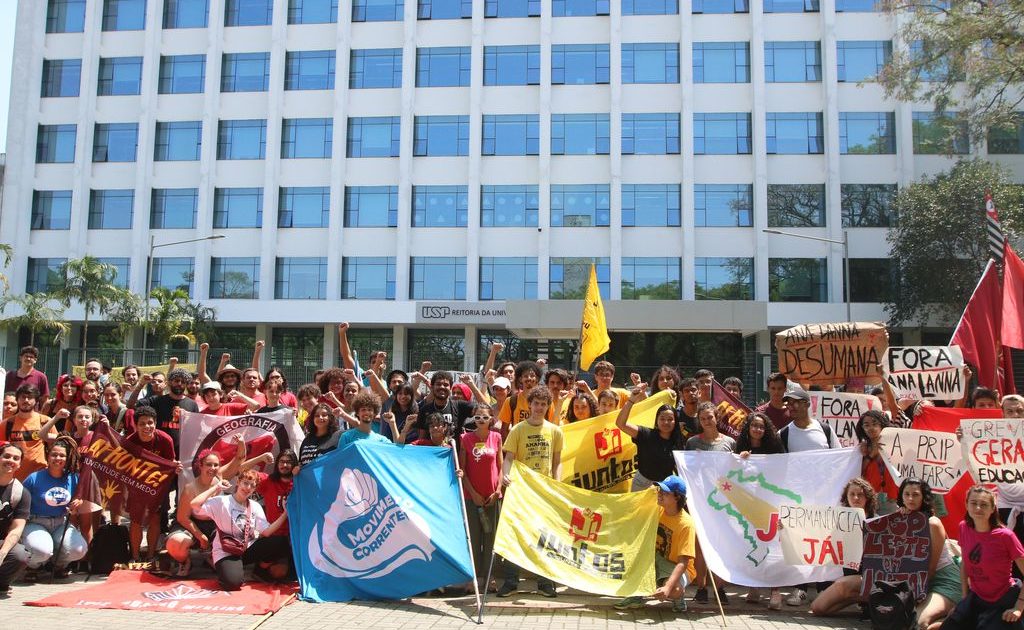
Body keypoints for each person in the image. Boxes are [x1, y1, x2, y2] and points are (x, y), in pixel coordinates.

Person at [498, 385, 563, 599]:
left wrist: (558, 484)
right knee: (516, 535)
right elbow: (508, 459)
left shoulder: (555, 431)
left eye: (544, 404)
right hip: (521, 491)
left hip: (544, 492)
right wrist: (505, 475)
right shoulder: (518, 429)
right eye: (536, 403)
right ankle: (511, 581)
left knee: (544, 537)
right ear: (530, 404)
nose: (539, 408)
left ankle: (544, 583)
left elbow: (557, 463)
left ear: (548, 406)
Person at [939, 485, 1024, 630]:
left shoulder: (1006, 536)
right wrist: (964, 599)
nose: (978, 508)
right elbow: (965, 563)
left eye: (984, 504)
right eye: (973, 503)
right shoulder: (963, 527)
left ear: (993, 509)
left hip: (1002, 599)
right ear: (966, 504)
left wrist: (1018, 607)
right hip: (976, 596)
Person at [191, 469, 290, 590]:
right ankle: (222, 566)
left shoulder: (255, 506)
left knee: (281, 542)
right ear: (238, 482)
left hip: (245, 548)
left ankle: (259, 570)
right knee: (233, 583)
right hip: (227, 549)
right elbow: (194, 504)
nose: (248, 488)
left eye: (252, 485)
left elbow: (267, 532)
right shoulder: (222, 501)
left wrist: (285, 513)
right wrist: (216, 487)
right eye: (245, 483)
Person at [614, 475, 695, 613]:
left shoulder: (686, 524)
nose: (660, 494)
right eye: (660, 490)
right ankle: (636, 596)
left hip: (675, 567)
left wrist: (668, 587)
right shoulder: (657, 508)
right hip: (654, 559)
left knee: (674, 590)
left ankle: (678, 597)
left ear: (677, 498)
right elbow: (643, 493)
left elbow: (683, 563)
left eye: (665, 492)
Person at [164, 444, 247, 576]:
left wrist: (241, 443)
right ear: (200, 466)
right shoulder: (190, 488)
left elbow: (239, 458)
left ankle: (211, 557)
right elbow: (182, 518)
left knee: (236, 538)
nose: (212, 468)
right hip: (192, 523)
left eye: (216, 465)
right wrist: (200, 536)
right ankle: (184, 561)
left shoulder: (220, 476)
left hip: (215, 524)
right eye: (209, 464)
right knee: (175, 543)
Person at [685, 400, 735, 604]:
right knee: (700, 546)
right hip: (700, 499)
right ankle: (702, 587)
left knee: (721, 545)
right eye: (702, 418)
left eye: (710, 417)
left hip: (723, 501)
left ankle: (720, 587)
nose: (706, 421)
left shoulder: (730, 442)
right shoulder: (692, 443)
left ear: (717, 418)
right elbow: (687, 469)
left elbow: (735, 471)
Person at [19, 437, 88, 578]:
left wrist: (76, 506)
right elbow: (21, 502)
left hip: (60, 522)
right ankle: (33, 566)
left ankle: (56, 565)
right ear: (48, 456)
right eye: (54, 454)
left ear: (67, 458)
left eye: (62, 455)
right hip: (35, 522)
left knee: (79, 550)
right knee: (42, 551)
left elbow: (76, 505)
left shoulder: (73, 478)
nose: (58, 458)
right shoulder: (34, 477)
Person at [810, 477, 879, 616]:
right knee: (817, 608)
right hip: (848, 580)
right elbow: (814, 534)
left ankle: (869, 598)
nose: (855, 498)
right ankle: (859, 599)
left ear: (868, 498)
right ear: (846, 497)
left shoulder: (878, 522)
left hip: (870, 578)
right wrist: (786, 528)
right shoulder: (839, 521)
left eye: (860, 494)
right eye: (851, 494)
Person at [899, 478, 962, 630]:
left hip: (943, 580)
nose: (910, 499)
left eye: (915, 495)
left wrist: (915, 595)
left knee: (920, 623)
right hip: (916, 581)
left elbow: (931, 567)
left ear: (924, 497)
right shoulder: (899, 519)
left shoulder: (933, 523)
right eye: (906, 494)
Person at [125, 406, 179, 561]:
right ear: (136, 425)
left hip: (158, 486)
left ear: (155, 423)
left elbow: (170, 462)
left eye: (150, 423)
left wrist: (176, 467)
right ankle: (134, 557)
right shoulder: (130, 442)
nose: (147, 427)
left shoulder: (165, 439)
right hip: (136, 486)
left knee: (155, 519)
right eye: (142, 424)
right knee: (136, 521)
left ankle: (150, 556)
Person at [459, 403, 502, 592]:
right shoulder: (465, 439)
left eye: (485, 417)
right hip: (472, 497)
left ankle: (490, 575)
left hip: (492, 496)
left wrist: (497, 490)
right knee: (474, 539)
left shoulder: (497, 437)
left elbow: (501, 468)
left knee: (491, 538)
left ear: (491, 419)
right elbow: (463, 470)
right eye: (478, 417)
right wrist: (474, 494)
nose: (481, 421)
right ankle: (475, 578)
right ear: (473, 419)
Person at [616, 384, 683, 492]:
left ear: (675, 422)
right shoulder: (645, 434)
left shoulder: (678, 441)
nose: (666, 422)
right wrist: (631, 400)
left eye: (670, 419)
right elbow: (621, 424)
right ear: (656, 420)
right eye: (662, 419)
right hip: (641, 485)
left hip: (665, 487)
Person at [127, 368, 200, 453]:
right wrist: (140, 385)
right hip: (158, 453)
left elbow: (196, 431)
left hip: (182, 453)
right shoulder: (156, 400)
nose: (179, 384)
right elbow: (130, 406)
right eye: (176, 380)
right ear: (169, 382)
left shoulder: (192, 405)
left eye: (183, 382)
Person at [0, 385, 55, 481]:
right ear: (17, 400)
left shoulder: (45, 422)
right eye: (22, 397)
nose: (26, 400)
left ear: (36, 401)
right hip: (13, 479)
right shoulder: (7, 424)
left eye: (30, 397)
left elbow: (55, 448)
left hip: (39, 479)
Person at [0, 443, 30, 595]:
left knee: (20, 556)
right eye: (6, 456)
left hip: (2, 540)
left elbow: (17, 529)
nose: (10, 460)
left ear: (19, 464)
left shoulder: (21, 493)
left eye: (15, 458)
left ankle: (1, 583)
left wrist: (2, 553)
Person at [856, 409, 898, 514]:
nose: (871, 428)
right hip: (870, 499)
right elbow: (857, 473)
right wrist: (871, 455)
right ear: (862, 429)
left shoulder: (896, 444)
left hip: (892, 499)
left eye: (875, 423)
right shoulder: (862, 449)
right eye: (866, 425)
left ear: (882, 425)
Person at [498, 361, 543, 430]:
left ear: (537, 379)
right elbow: (504, 429)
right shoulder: (511, 401)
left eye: (532, 376)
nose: (529, 378)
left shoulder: (546, 401)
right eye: (525, 376)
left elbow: (553, 427)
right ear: (520, 379)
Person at [297, 403, 342, 468]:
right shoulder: (307, 440)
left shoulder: (339, 436)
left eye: (324, 415)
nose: (320, 417)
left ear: (330, 417)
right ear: (313, 419)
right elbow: (300, 463)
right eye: (317, 416)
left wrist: (344, 415)